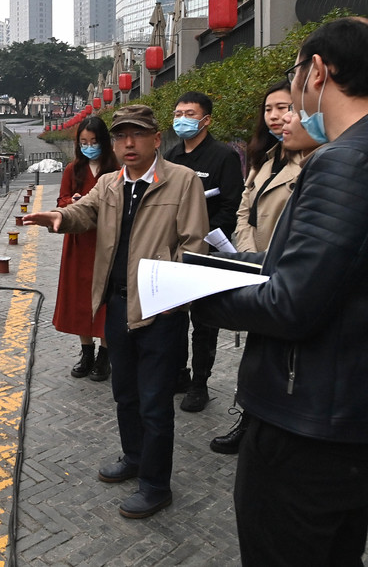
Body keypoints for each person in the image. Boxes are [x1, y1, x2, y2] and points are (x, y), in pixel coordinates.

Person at [192, 17, 368, 565]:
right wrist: (228, 265)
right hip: (351, 408)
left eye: (295, 74)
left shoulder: (350, 160)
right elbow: (321, 270)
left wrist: (192, 295)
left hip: (314, 415)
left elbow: (292, 303)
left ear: (316, 72)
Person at [23, 104, 207, 519]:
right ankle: (134, 457)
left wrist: (172, 296)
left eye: (137, 134)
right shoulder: (109, 183)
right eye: (121, 135)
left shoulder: (182, 181)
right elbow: (83, 211)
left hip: (159, 307)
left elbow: (194, 243)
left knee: (155, 401)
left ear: (156, 139)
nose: (128, 143)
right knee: (125, 392)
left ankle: (156, 485)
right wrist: (58, 217)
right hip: (118, 303)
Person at [209, 81, 317, 454]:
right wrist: (247, 252)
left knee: (282, 356)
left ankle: (270, 425)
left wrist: (267, 260)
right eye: (268, 109)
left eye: (284, 108)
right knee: (257, 353)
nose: (275, 116)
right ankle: (250, 420)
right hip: (255, 262)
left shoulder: (314, 161)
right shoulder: (266, 157)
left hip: (287, 269)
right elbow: (245, 209)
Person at [163, 91, 244, 413]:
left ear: (206, 120)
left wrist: (205, 240)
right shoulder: (171, 156)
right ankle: (179, 374)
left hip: (208, 251)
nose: (182, 119)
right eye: (178, 113)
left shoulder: (223, 156)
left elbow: (231, 206)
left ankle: (200, 383)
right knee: (174, 317)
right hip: (176, 251)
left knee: (204, 321)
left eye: (190, 114)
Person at [54, 117, 119, 381]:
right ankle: (86, 351)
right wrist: (73, 201)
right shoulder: (74, 169)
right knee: (79, 296)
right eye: (84, 142)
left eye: (93, 141)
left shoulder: (116, 168)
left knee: (106, 297)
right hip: (79, 241)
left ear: (104, 141)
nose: (89, 146)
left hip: (107, 240)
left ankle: (105, 355)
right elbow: (62, 199)